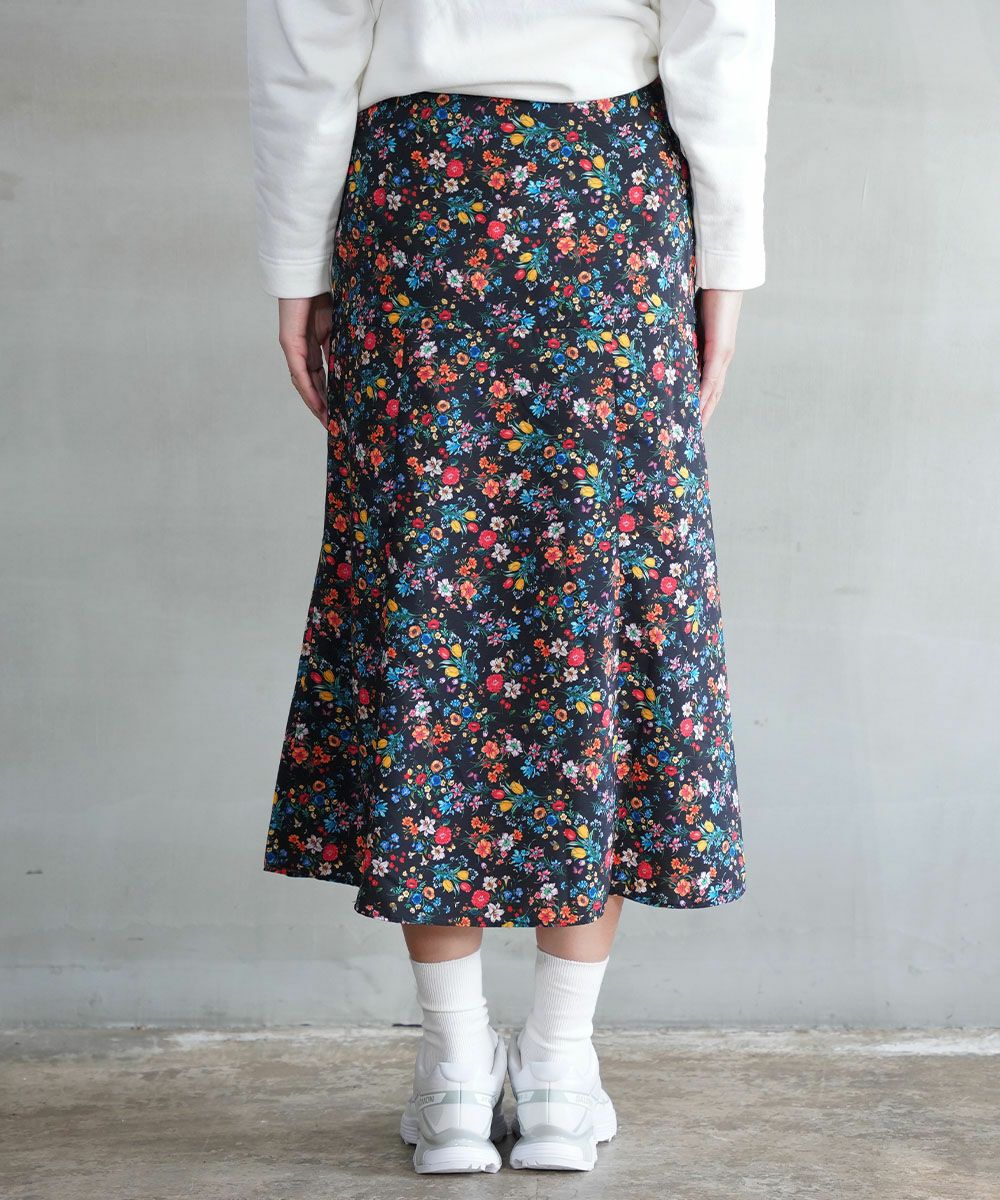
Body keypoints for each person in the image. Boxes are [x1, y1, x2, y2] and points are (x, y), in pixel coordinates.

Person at [246, 0, 774, 1175]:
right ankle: (558, 1072)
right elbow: (720, 34)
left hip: (419, 202)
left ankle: (451, 1078)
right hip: (607, 197)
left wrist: (296, 263)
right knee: (599, 606)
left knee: (429, 599)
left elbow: (304, 41)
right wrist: (725, 261)